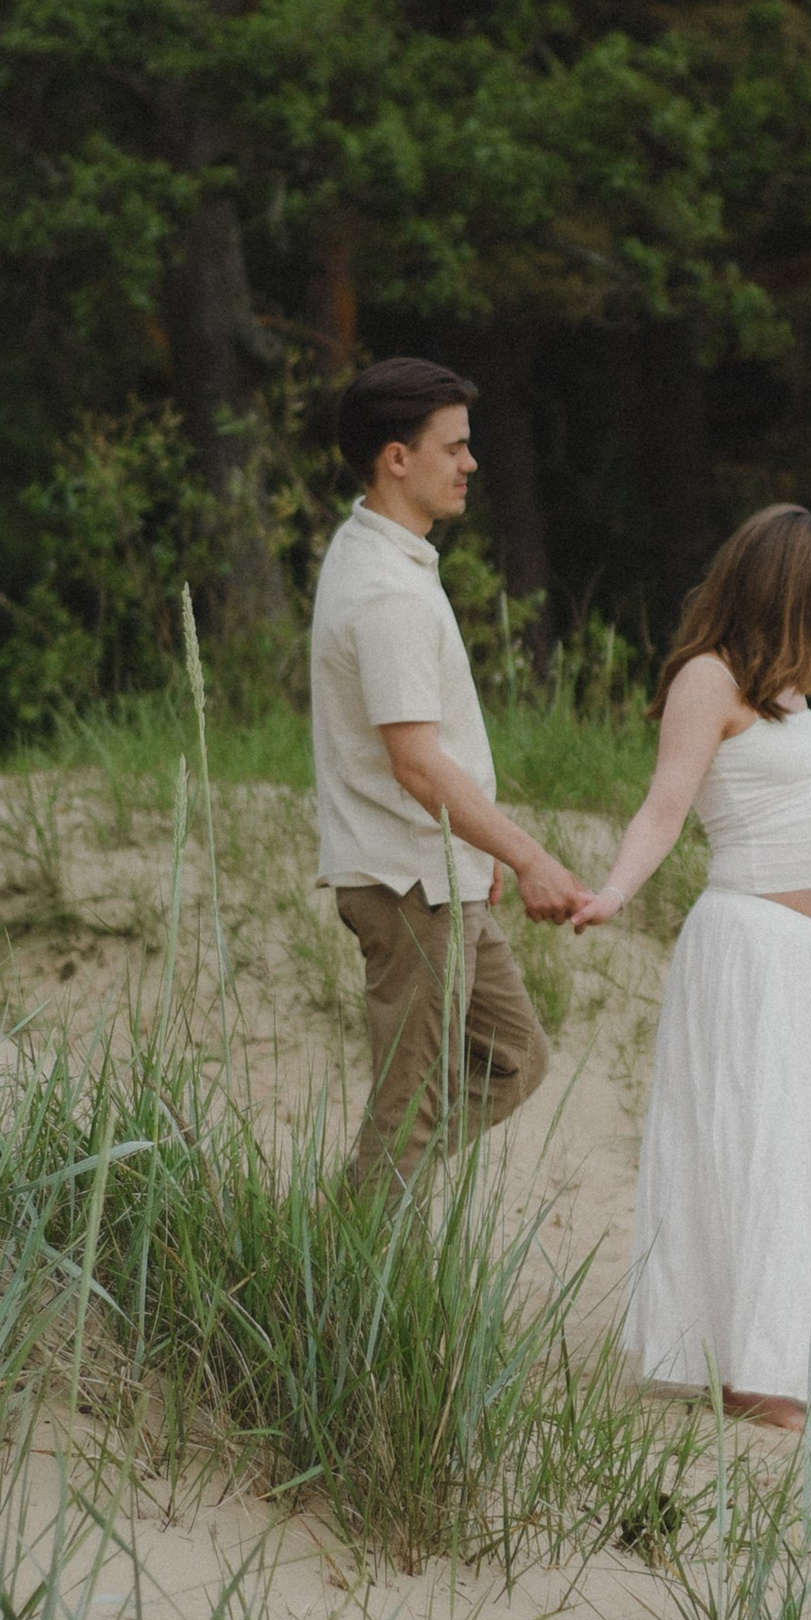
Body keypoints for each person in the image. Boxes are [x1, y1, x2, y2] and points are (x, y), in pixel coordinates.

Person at [572, 503, 811, 1425]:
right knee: (773, 1152)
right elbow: (666, 807)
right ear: (781, 585)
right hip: (758, 943)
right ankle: (760, 1367)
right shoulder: (709, 678)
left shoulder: (783, 686)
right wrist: (617, 891)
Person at [310, 357, 587, 1186]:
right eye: (454, 446)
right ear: (397, 457)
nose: (470, 462)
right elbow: (418, 765)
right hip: (409, 885)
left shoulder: (382, 553)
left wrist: (477, 851)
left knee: (515, 1059)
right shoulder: (385, 589)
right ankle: (348, 1281)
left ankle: (364, 1212)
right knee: (414, 1102)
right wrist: (530, 855)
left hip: (438, 872)